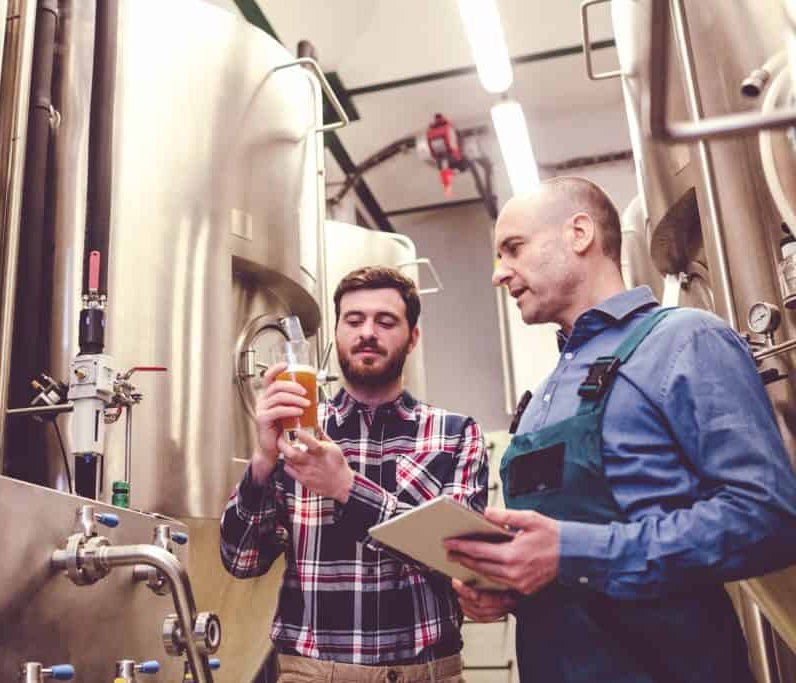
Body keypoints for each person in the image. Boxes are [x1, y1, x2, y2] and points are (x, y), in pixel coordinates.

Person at [446, 176, 796, 682]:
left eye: (513, 249)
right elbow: (557, 560)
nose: (500, 274)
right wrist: (511, 588)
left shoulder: (684, 340)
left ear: (580, 233)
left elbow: (768, 518)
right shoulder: (541, 396)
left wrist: (574, 551)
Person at [220, 266, 488, 683]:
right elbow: (241, 560)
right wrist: (261, 462)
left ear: (413, 337)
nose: (368, 332)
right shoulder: (296, 434)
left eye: (386, 321)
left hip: (428, 673)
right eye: (354, 320)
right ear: (337, 334)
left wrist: (346, 487)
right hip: (312, 673)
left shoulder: (455, 434)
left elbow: (463, 562)